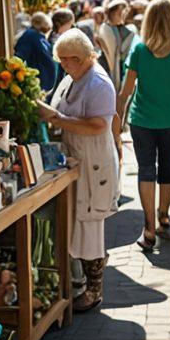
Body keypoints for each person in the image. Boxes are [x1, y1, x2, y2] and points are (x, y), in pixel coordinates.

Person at [38, 28, 120, 312]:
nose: (61, 65)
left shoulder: (98, 83)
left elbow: (99, 125)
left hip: (93, 165)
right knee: (78, 225)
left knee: (90, 227)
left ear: (81, 57)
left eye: (65, 60)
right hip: (75, 162)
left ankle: (94, 290)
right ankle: (80, 283)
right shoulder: (72, 78)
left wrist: (58, 120)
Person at [115, 0, 170, 251]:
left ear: (149, 21)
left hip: (141, 121)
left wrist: (116, 122)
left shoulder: (139, 49)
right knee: (167, 170)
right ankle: (163, 214)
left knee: (146, 171)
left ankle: (149, 228)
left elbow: (125, 91)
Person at [98, 0, 137, 90]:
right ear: (111, 13)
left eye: (123, 12)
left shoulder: (125, 29)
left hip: (120, 67)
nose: (121, 15)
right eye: (118, 12)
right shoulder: (106, 28)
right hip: (107, 66)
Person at [14, 11, 56, 94]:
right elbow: (19, 57)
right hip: (37, 83)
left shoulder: (40, 36)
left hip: (44, 84)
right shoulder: (30, 35)